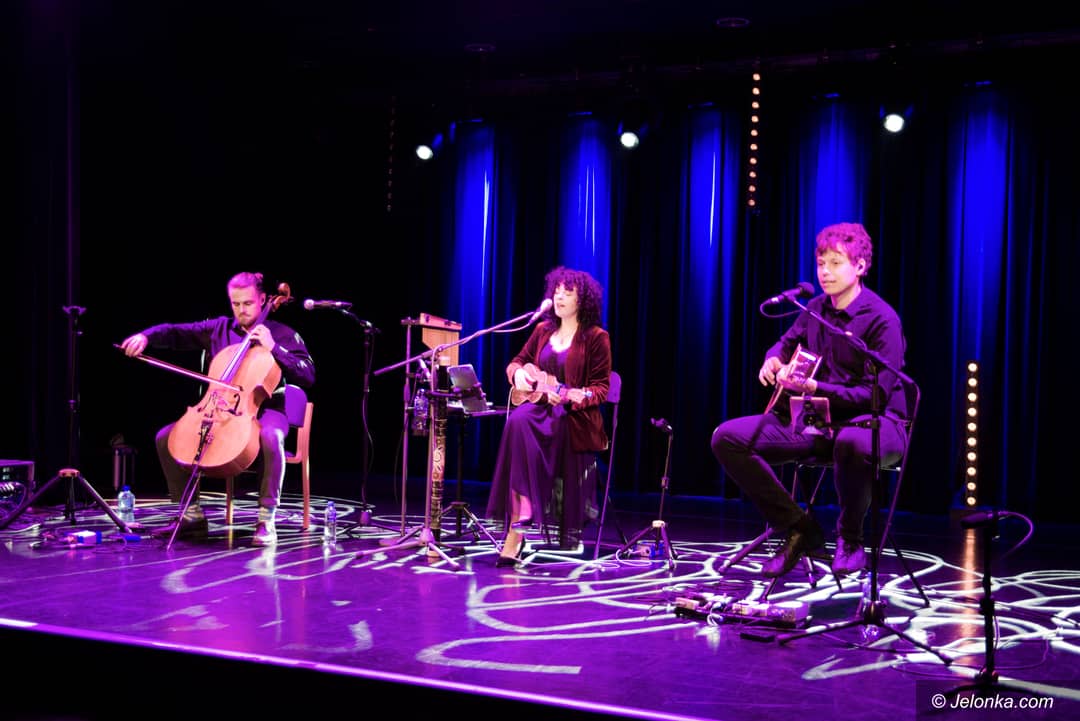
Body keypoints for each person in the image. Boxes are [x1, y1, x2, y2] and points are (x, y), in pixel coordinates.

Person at [710, 222, 908, 577]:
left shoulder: (882, 319)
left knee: (851, 441)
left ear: (860, 266)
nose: (825, 272)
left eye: (835, 263)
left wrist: (817, 388)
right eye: (821, 264)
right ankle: (799, 528)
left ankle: (850, 539)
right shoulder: (815, 308)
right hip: (819, 422)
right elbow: (785, 343)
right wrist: (773, 358)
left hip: (877, 426)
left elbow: (874, 396)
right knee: (727, 438)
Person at [120, 272, 315, 546]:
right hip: (221, 409)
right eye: (236, 304)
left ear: (262, 300)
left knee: (271, 437)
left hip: (267, 409)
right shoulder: (219, 329)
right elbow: (176, 332)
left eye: (248, 303)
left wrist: (273, 347)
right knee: (166, 437)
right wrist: (146, 337)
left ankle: (266, 519)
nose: (241, 310)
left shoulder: (282, 333)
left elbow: (307, 374)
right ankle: (192, 517)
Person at [486, 266, 612, 566]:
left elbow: (601, 388)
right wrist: (518, 375)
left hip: (571, 417)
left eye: (568, 293)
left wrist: (571, 396)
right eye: (557, 292)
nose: (559, 297)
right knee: (518, 420)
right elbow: (517, 362)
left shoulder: (596, 337)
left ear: (582, 300)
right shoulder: (542, 330)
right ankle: (523, 513)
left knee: (521, 423)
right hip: (539, 408)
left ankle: (517, 529)